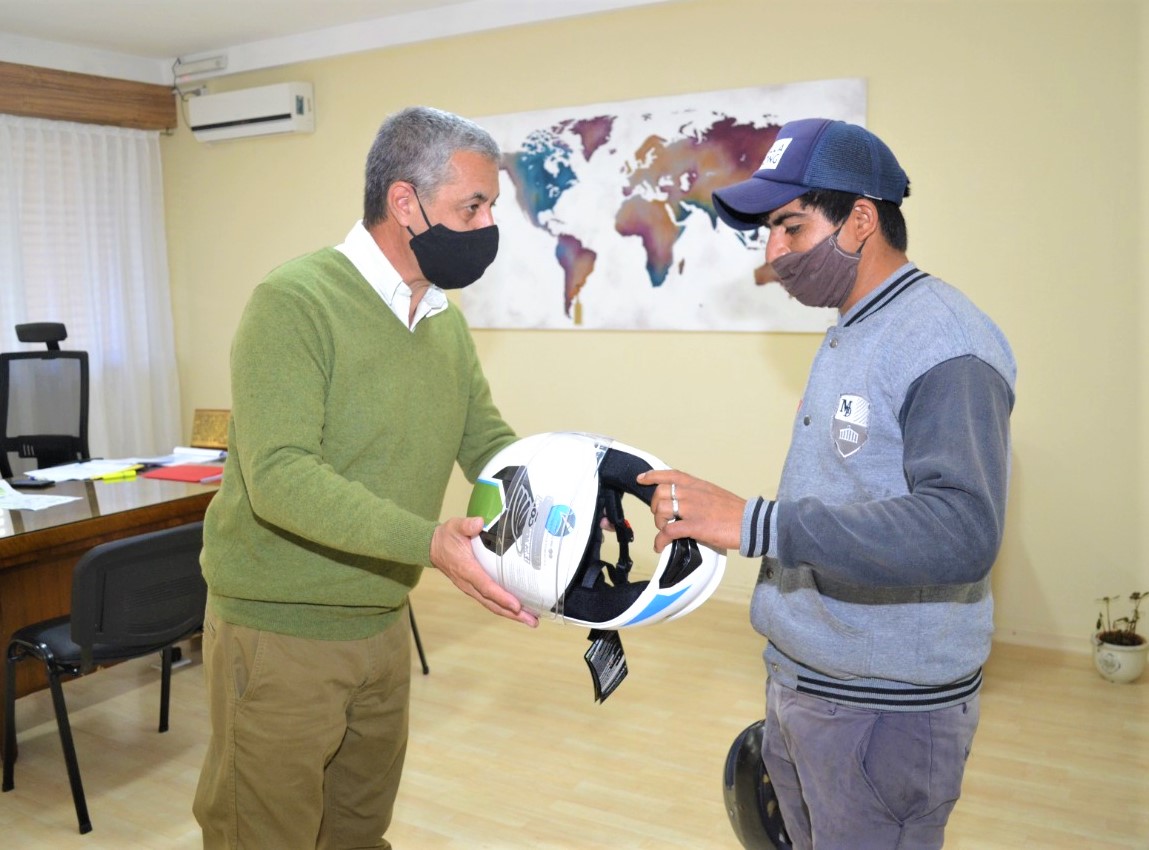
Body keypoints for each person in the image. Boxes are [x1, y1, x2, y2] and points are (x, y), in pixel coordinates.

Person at [638, 117, 1016, 850]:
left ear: (861, 220)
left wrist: (756, 523)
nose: (773, 253)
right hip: (807, 679)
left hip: (883, 710)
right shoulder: (856, 325)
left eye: (791, 227)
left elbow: (961, 530)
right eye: (768, 233)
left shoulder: (947, 344)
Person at [192, 105, 538, 850]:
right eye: (472, 206)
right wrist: (430, 542)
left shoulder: (441, 318)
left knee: (357, 833)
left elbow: (485, 440)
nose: (486, 227)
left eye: (490, 209)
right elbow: (281, 477)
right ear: (404, 202)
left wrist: (568, 490)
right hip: (281, 631)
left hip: (381, 620)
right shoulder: (296, 302)